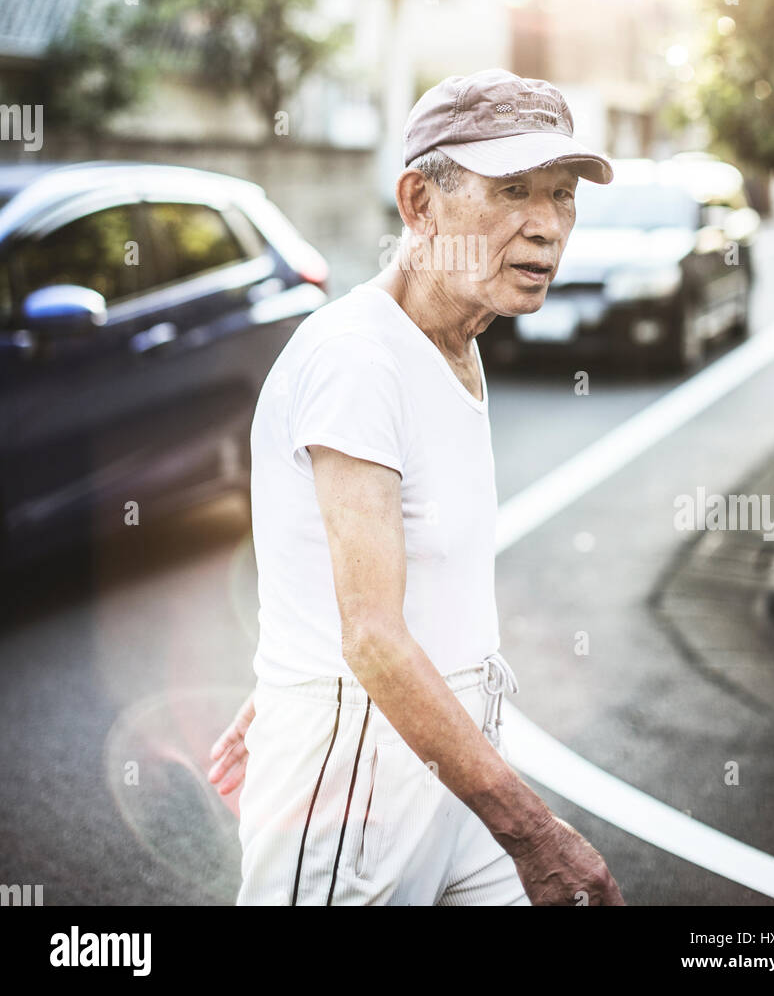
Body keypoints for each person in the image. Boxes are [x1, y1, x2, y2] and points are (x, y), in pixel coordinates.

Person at [208, 68, 625, 907]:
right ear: (420, 203)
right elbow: (371, 637)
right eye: (512, 189)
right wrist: (534, 833)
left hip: (448, 753)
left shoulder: (452, 338)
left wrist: (291, 677)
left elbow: (357, 574)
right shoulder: (357, 360)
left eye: (562, 193)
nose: (547, 225)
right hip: (354, 792)